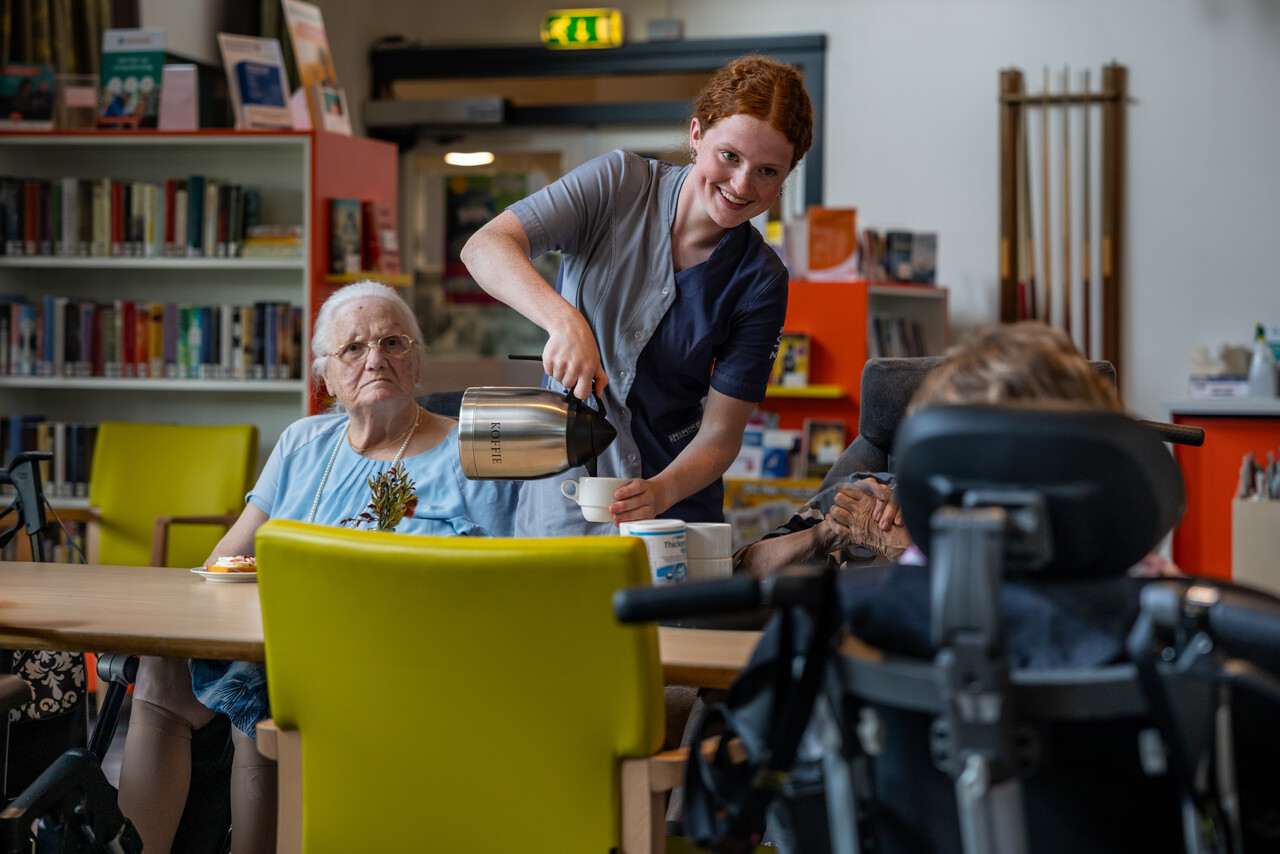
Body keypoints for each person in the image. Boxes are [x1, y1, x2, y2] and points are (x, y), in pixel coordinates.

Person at [116, 281, 519, 854]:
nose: (375, 358)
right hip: (288, 645)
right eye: (352, 349)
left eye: (393, 342)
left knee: (266, 694)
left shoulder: (472, 453)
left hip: (409, 660)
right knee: (163, 667)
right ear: (324, 377)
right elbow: (223, 561)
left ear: (418, 360)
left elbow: (505, 584)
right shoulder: (303, 443)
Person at [460, 55, 814, 536]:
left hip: (673, 504)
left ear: (786, 175)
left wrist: (662, 491)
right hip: (567, 492)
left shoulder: (762, 278)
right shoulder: (618, 184)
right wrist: (564, 322)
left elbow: (721, 433)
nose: (742, 185)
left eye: (768, 172)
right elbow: (485, 247)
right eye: (729, 156)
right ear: (696, 135)